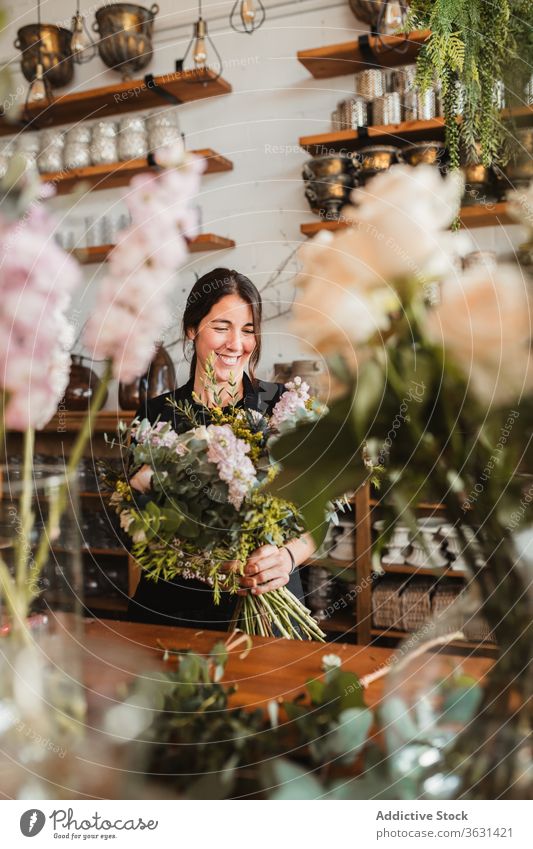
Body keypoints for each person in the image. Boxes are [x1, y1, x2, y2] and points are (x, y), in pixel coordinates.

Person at [127, 268, 316, 630]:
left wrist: (288, 557)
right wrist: (207, 561)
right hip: (173, 611)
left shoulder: (283, 406)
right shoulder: (156, 416)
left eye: (247, 330)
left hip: (267, 610)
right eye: (221, 327)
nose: (236, 343)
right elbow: (136, 524)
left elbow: (318, 511)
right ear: (191, 329)